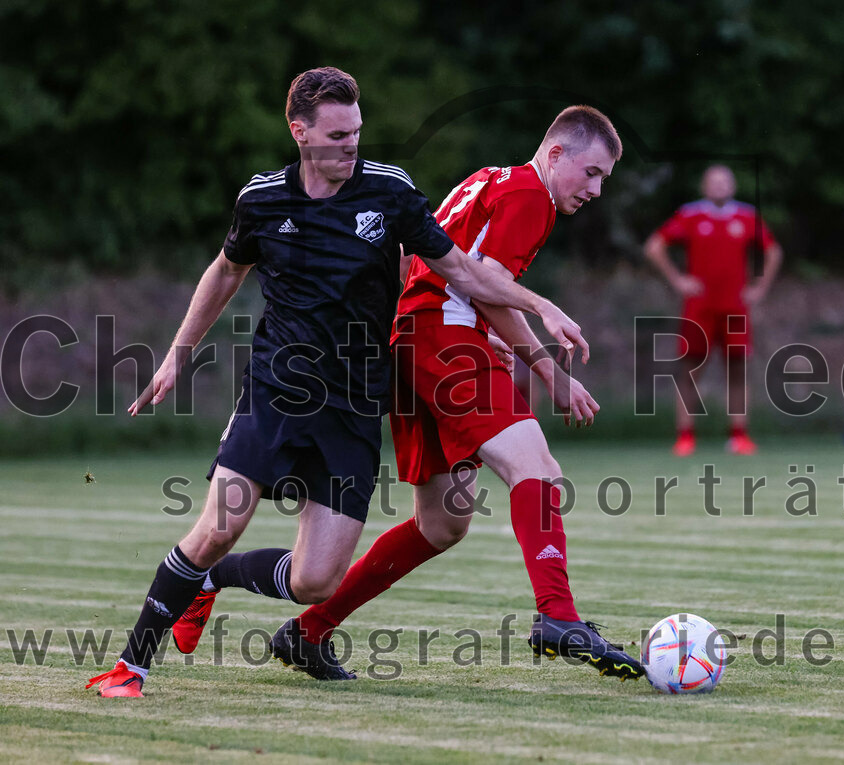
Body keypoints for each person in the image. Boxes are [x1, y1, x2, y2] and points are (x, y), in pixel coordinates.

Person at [85, 67, 589, 698]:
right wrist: (176, 355)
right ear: (299, 131)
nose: (351, 145)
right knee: (217, 528)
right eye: (337, 134)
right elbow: (224, 273)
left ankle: (213, 582)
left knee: (314, 581)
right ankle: (130, 668)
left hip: (353, 406)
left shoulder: (391, 192)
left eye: (356, 131)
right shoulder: (262, 199)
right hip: (277, 390)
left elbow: (461, 270)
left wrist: (538, 308)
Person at [172, 106, 645, 682]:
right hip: (443, 342)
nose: (595, 189)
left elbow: (425, 264)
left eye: (603, 179)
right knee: (537, 468)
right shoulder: (531, 196)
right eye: (591, 173)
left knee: (443, 522)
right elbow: (487, 284)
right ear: (555, 154)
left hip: (413, 342)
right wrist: (548, 366)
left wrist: (479, 330)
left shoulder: (490, 179)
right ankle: (558, 617)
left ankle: (304, 628)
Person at [644, 165, 783, 456]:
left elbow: (773, 251)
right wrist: (677, 279)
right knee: (690, 369)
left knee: (737, 369)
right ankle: (685, 437)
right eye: (714, 182)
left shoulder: (746, 216)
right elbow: (654, 246)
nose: (720, 186)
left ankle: (739, 436)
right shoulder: (690, 215)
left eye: (725, 181)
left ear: (733, 186)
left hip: (735, 308)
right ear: (704, 186)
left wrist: (759, 288)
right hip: (700, 308)